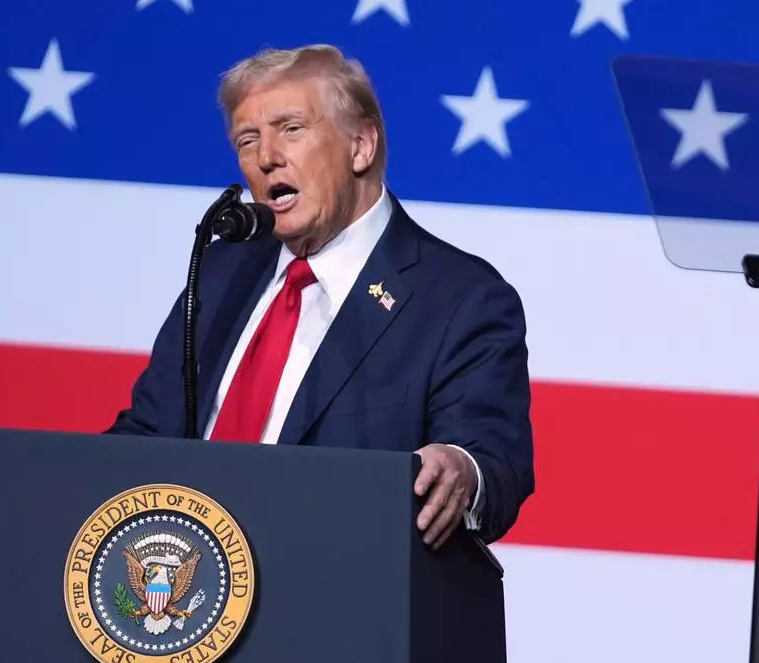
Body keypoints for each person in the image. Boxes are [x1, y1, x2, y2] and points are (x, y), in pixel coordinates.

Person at [107, 44, 534, 552]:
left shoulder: (460, 297)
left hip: (342, 592)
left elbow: (492, 460)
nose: (267, 158)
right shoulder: (221, 271)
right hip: (192, 593)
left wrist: (463, 468)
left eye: (291, 129)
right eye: (248, 140)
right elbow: (147, 433)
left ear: (361, 147)